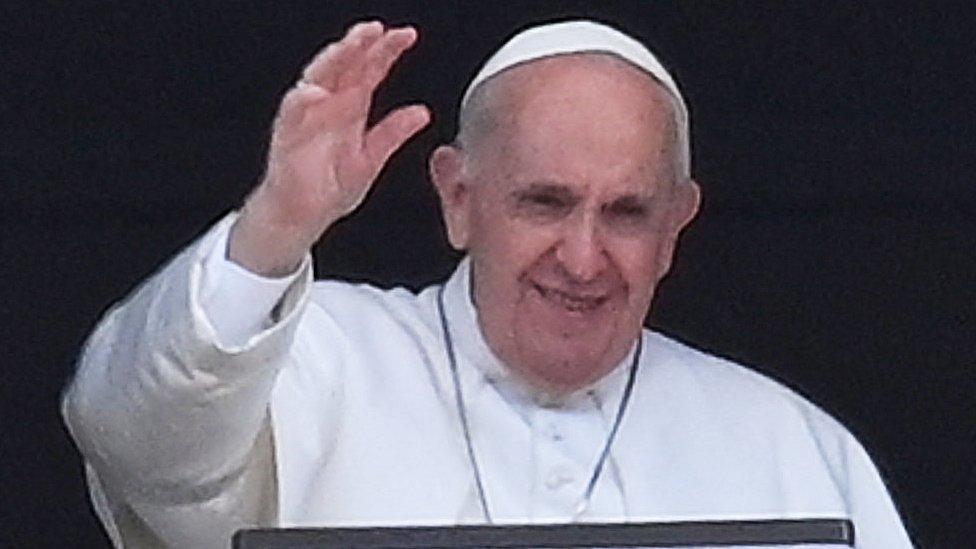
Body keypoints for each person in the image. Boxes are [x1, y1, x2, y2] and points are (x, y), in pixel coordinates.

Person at [62, 19, 913, 548]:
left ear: (675, 227)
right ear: (459, 198)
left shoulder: (790, 448)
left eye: (625, 212)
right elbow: (134, 437)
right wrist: (278, 224)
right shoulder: (316, 360)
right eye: (545, 202)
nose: (582, 258)